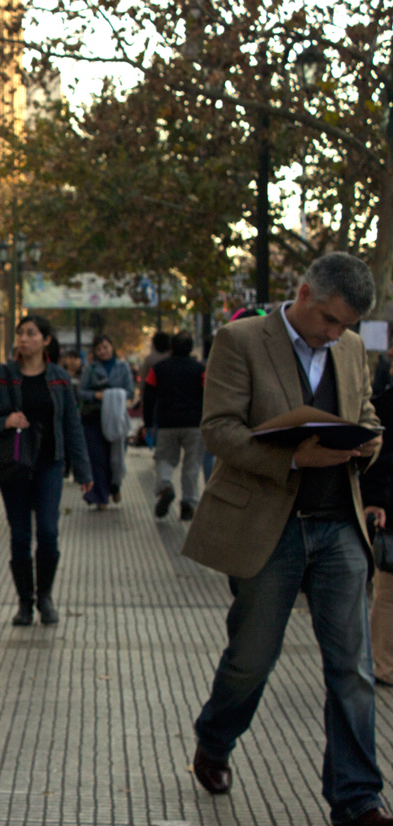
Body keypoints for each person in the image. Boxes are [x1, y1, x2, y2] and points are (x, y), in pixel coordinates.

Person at [183, 253, 392, 826]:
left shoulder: (349, 348)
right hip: (268, 528)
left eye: (345, 326)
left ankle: (357, 799)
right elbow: (218, 429)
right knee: (252, 658)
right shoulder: (241, 339)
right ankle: (215, 738)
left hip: (338, 525)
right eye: (328, 320)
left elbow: (364, 408)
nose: (335, 334)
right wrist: (291, 460)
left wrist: (369, 438)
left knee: (352, 666)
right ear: (302, 293)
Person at [0, 315, 92, 626]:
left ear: (46, 340)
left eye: (31, 333)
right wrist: (5, 421)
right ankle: (25, 603)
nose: (24, 339)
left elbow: (72, 426)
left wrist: (84, 471)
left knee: (49, 533)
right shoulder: (2, 375)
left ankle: (45, 597)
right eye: (20, 333)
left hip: (49, 465)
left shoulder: (60, 378)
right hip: (14, 466)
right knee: (21, 534)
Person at [142, 331, 204, 520]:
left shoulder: (159, 369)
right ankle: (188, 502)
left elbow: (148, 395)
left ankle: (165, 485)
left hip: (167, 422)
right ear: (191, 348)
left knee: (164, 459)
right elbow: (207, 394)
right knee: (192, 464)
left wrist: (147, 423)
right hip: (194, 423)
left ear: (171, 347)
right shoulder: (200, 369)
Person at [361, 358, 393, 687]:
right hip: (389, 508)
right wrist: (376, 502)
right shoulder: (385, 406)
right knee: (388, 593)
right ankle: (383, 664)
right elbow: (379, 458)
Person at [78, 334, 134, 509]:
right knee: (97, 458)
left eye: (105, 347)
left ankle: (114, 486)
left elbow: (130, 391)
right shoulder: (91, 369)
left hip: (116, 418)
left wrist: (115, 395)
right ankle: (100, 497)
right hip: (94, 418)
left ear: (112, 347)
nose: (103, 351)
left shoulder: (122, 367)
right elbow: (81, 392)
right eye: (99, 348)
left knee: (115, 458)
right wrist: (97, 395)